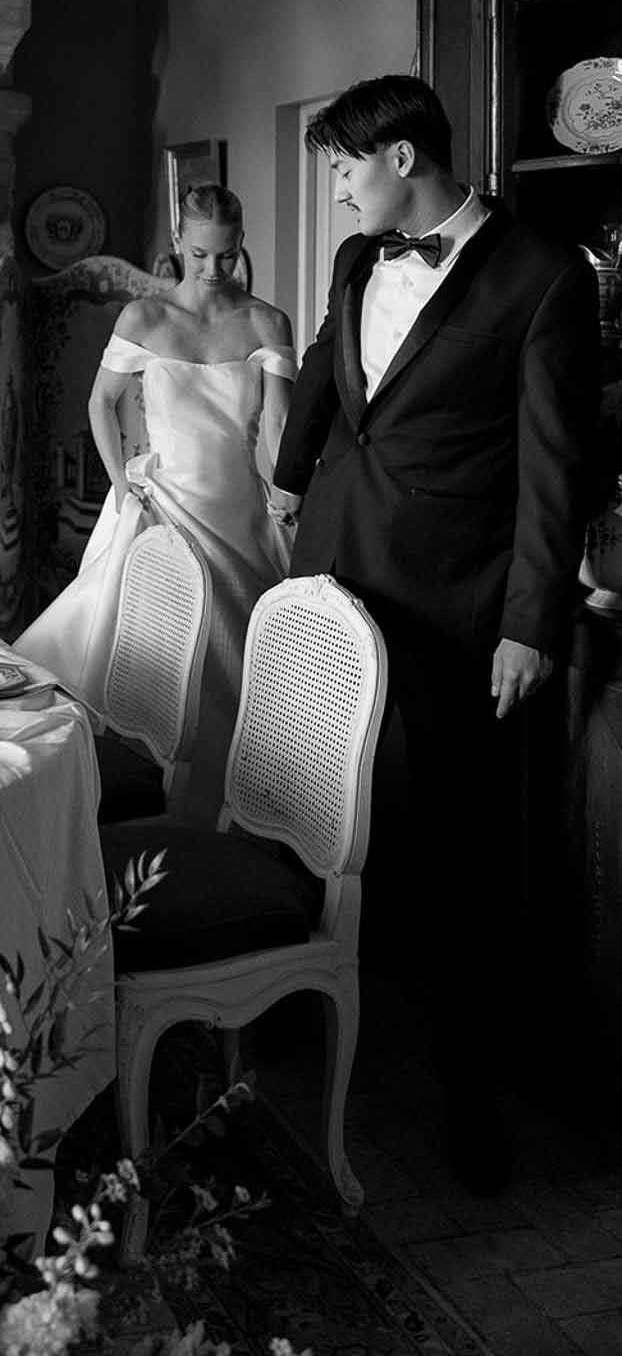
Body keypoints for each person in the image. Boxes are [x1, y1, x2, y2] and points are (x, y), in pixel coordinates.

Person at [270, 74, 600, 1192]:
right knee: (307, 795)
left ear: (404, 157)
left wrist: (529, 620)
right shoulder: (358, 258)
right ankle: (284, 1005)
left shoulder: (542, 273)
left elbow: (556, 466)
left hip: (458, 602)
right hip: (331, 568)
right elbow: (328, 365)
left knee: (462, 849)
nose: (336, 187)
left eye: (343, 166)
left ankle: (469, 1096)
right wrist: (283, 478)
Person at [16, 183, 296, 827]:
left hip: (239, 510)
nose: (213, 270)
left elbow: (280, 430)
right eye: (199, 254)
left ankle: (246, 807)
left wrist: (287, 497)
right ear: (177, 242)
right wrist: (120, 483)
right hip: (163, 505)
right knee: (151, 654)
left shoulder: (266, 322)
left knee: (244, 658)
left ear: (240, 245)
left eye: (226, 255)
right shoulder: (144, 318)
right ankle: (144, 803)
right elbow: (99, 403)